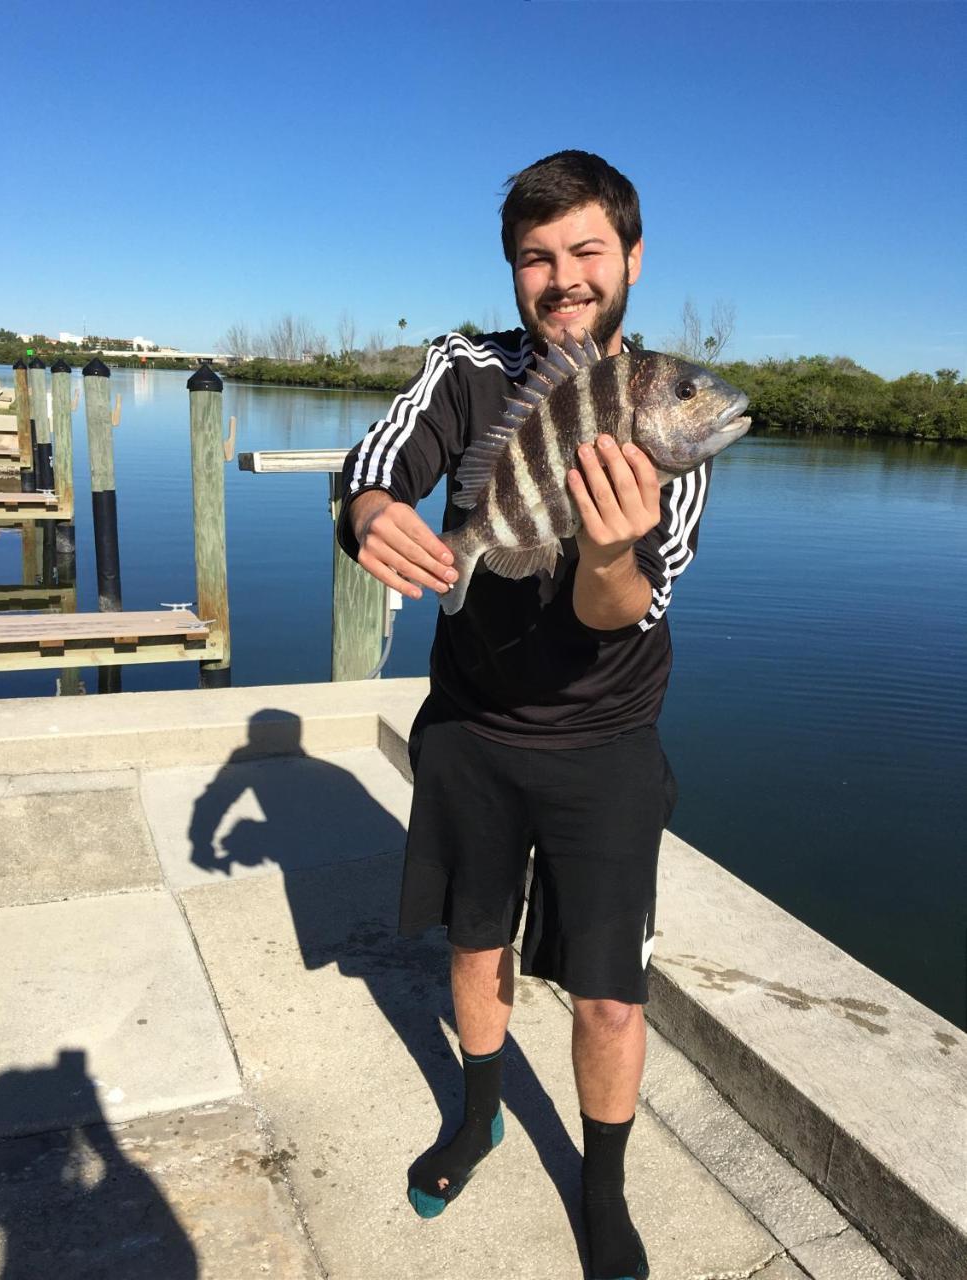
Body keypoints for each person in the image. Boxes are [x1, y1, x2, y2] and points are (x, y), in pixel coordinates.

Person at [337, 150, 711, 1280]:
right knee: (474, 940)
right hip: (470, 730)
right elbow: (383, 457)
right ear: (514, 270)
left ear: (631, 260)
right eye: (535, 257)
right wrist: (367, 509)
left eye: (585, 250)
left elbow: (625, 606)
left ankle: (601, 1188)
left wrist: (605, 549)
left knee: (606, 992)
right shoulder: (466, 365)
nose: (561, 277)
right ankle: (479, 1111)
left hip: (603, 746)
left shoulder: (671, 422)